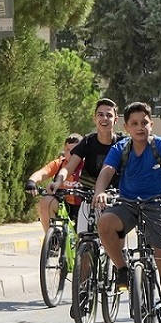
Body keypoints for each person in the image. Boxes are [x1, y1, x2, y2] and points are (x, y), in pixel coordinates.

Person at [92, 101, 161, 323]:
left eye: (144, 123)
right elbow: (107, 171)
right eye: (134, 124)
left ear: (151, 124)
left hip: (159, 204)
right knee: (105, 223)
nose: (140, 127)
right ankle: (123, 269)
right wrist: (100, 192)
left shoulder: (160, 145)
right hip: (129, 203)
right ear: (127, 126)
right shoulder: (121, 148)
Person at [55, 98, 121, 235]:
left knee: (115, 245)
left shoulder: (122, 143)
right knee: (84, 241)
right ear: (94, 118)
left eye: (109, 115)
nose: (104, 118)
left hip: (115, 199)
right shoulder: (87, 141)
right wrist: (58, 181)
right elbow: (69, 167)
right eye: (100, 115)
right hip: (89, 198)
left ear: (116, 120)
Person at [26, 134, 82, 233]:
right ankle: (53, 241)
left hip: (83, 205)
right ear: (64, 150)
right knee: (45, 202)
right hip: (63, 204)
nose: (71, 154)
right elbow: (43, 173)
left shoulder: (87, 166)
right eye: (68, 150)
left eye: (75, 150)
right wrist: (31, 182)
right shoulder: (59, 163)